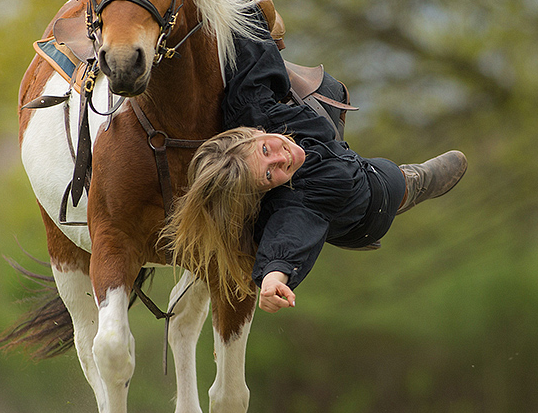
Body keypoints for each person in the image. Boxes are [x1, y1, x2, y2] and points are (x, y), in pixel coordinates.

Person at [164, 29, 467, 313]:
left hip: (321, 147)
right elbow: (289, 235)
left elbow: (252, 53)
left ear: (253, 134)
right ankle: (414, 183)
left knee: (324, 101)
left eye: (266, 150)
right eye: (269, 175)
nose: (280, 160)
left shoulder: (254, 112)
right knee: (385, 180)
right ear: (264, 190)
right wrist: (272, 279)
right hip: (371, 202)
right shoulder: (304, 197)